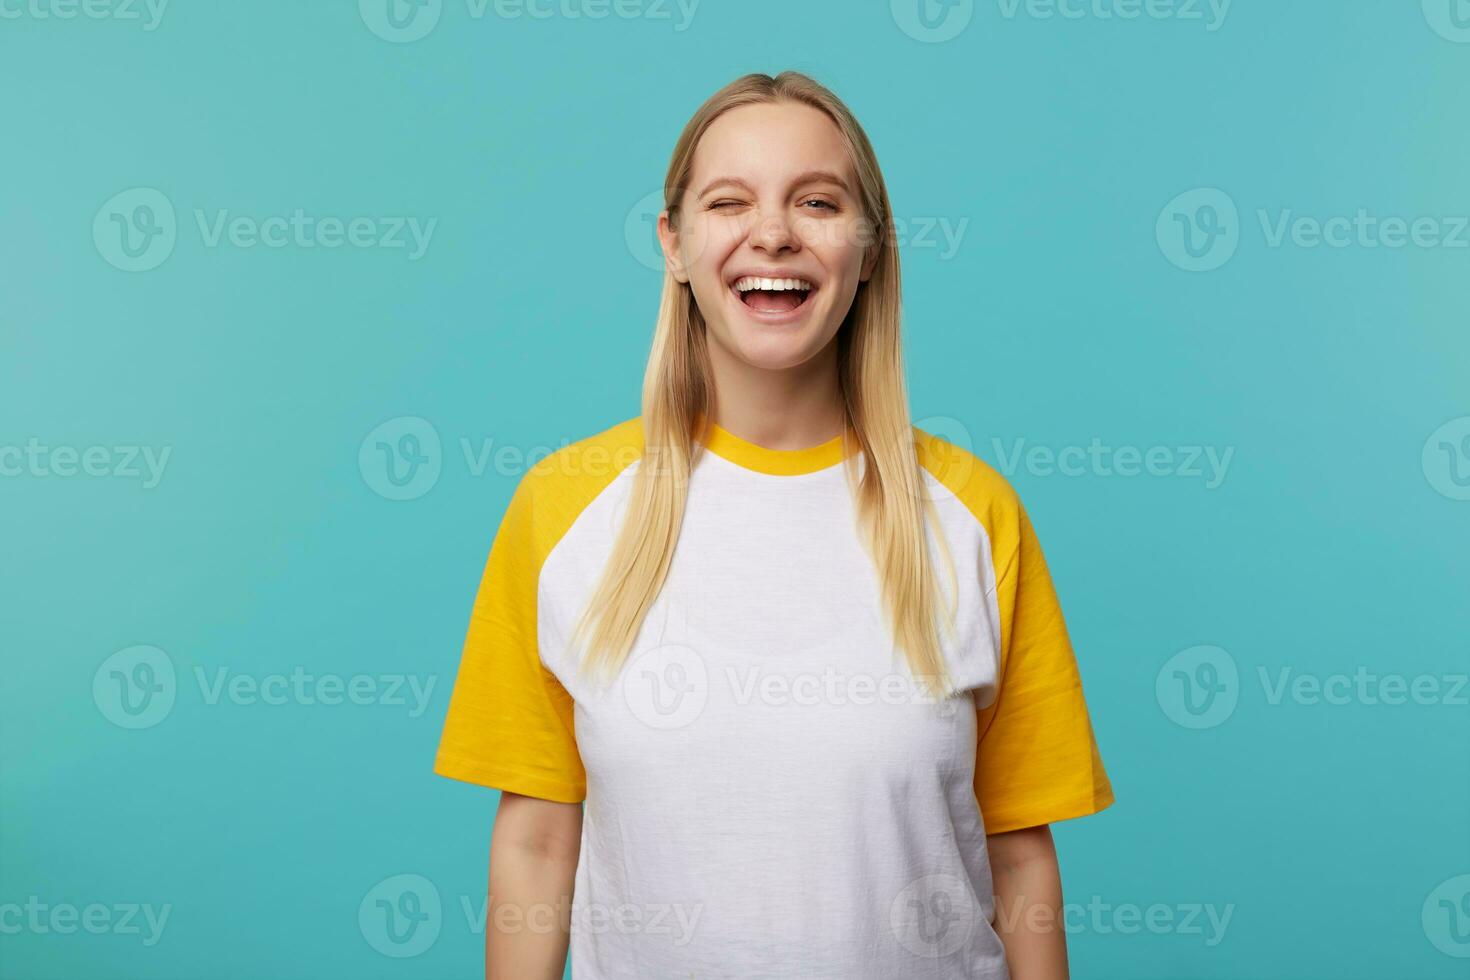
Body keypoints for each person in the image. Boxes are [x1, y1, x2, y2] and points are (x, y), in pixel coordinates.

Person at [434, 69, 1115, 980]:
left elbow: (1020, 852)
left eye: (819, 202)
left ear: (869, 249)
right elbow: (537, 843)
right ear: (673, 244)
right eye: (729, 202)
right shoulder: (562, 510)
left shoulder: (974, 516)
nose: (773, 234)